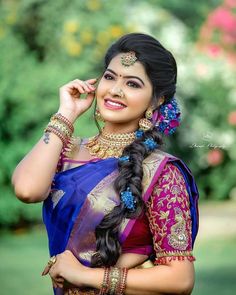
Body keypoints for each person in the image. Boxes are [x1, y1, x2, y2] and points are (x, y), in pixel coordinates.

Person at [12, 32, 199, 295]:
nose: (115, 90)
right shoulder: (65, 150)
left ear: (156, 100)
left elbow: (180, 280)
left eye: (133, 84)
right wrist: (66, 114)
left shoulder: (163, 173)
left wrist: (85, 275)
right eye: (110, 77)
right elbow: (27, 189)